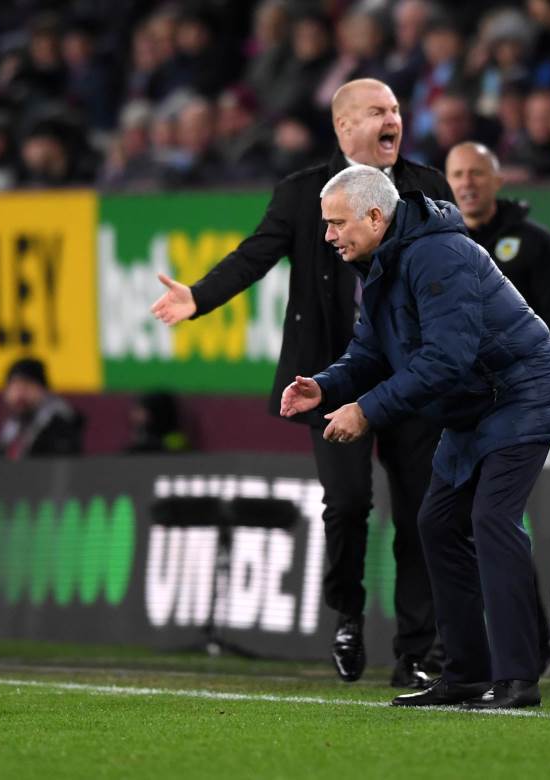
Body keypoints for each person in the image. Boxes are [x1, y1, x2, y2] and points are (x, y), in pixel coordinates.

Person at [151, 78, 452, 688]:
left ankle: (416, 651)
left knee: (421, 510)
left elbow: (460, 266)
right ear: (344, 128)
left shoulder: (427, 187)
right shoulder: (301, 194)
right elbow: (253, 255)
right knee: (347, 502)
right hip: (332, 380)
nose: (392, 119)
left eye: (396, 109)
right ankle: (347, 612)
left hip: (412, 378)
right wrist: (200, 297)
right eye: (376, 111)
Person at [281, 165, 550, 709]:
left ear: (373, 216)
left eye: (335, 223)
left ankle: (517, 678)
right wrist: (324, 387)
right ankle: (464, 673)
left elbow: (446, 358)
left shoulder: (439, 255)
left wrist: (365, 412)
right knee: (437, 523)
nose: (327, 236)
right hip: (475, 403)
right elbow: (368, 352)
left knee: (492, 519)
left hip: (521, 391)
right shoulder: (382, 262)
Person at [446, 140, 550, 675]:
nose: (467, 183)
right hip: (470, 411)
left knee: (494, 520)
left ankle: (523, 648)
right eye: (457, 174)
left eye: (477, 173)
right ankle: (530, 642)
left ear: (498, 180)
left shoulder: (534, 245)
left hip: (525, 405)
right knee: (484, 523)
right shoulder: (447, 242)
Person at [0, 358, 84, 459]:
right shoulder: (12, 426)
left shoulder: (60, 428)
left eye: (27, 386)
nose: (20, 395)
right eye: (15, 387)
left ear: (43, 390)